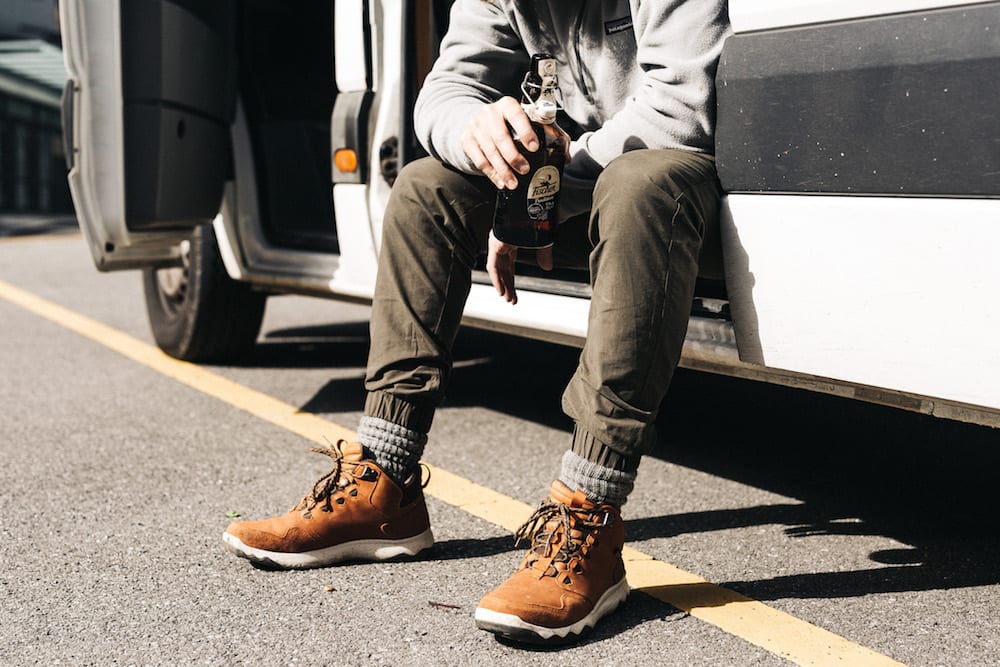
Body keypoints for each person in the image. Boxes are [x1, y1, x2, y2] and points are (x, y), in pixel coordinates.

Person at [223, 0, 730, 646]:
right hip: (584, 183)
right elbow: (442, 95)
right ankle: (385, 481)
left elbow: (681, 108)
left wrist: (543, 190)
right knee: (427, 187)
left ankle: (589, 515)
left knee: (640, 185)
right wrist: (477, 133)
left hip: (688, 182)